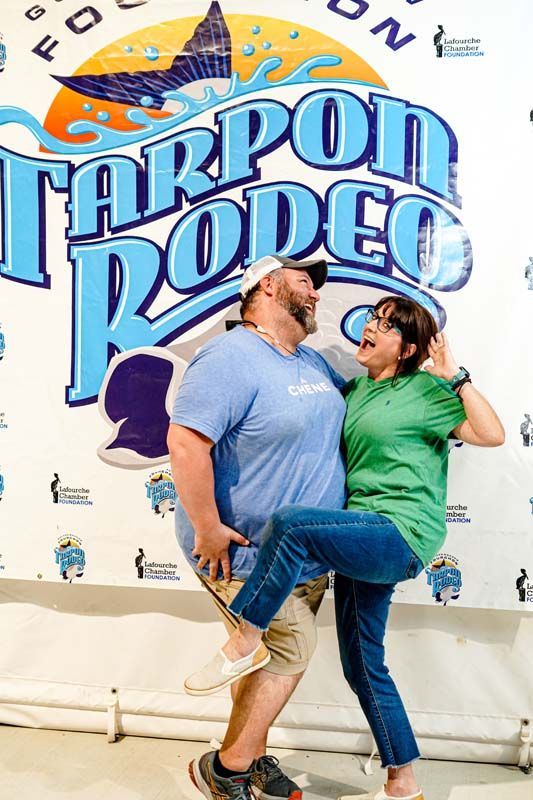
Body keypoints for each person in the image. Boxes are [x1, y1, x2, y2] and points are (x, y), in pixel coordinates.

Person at [187, 295, 505, 800]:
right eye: (374, 317)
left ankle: (245, 640)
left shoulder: (427, 390)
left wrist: (455, 377)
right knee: (363, 663)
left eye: (387, 325)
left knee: (290, 525)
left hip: (398, 533)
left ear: (408, 350)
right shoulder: (353, 391)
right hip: (357, 535)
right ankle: (403, 783)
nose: (371, 326)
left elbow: (492, 434)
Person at [167, 254, 347, 800]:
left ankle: (251, 759)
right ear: (267, 286)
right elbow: (185, 442)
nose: (315, 293)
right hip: (247, 554)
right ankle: (225, 769)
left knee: (261, 656)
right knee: (292, 647)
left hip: (308, 553)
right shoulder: (228, 357)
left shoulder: (311, 361)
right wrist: (207, 527)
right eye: (303, 282)